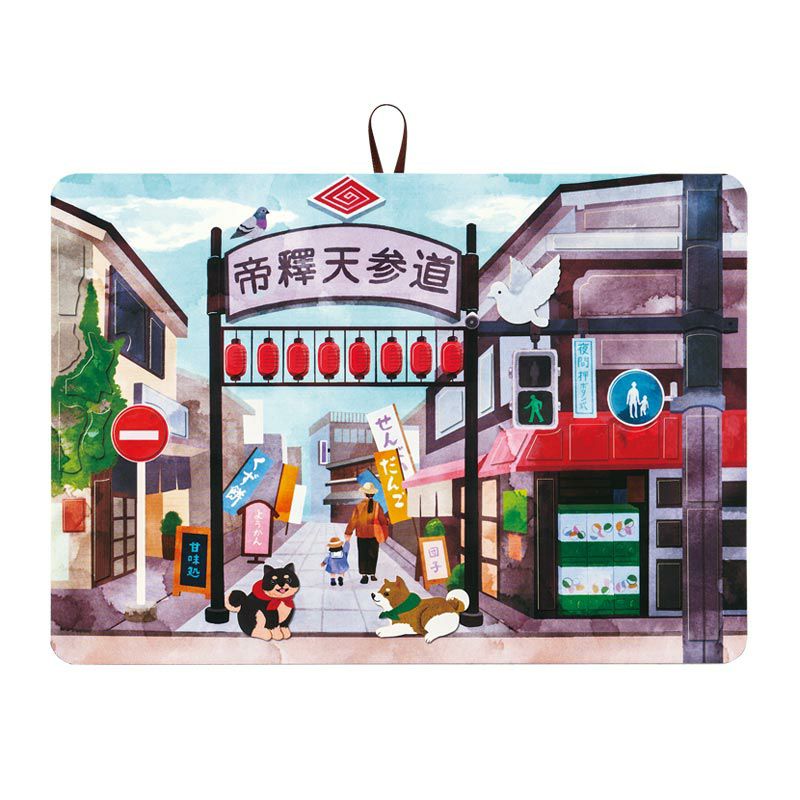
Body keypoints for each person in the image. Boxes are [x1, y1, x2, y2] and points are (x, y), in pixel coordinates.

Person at [344, 482, 389, 584]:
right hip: (374, 534)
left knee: (363, 554)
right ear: (373, 494)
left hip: (361, 534)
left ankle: (364, 575)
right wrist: (386, 522)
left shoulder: (359, 506)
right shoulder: (377, 506)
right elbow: (382, 520)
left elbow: (353, 520)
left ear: (364, 493)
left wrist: (348, 532)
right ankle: (372, 574)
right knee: (373, 554)